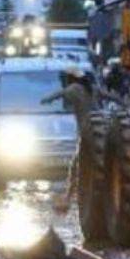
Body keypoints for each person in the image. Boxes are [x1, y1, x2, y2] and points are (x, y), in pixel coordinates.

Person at [41, 67, 95, 212]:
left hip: (85, 131)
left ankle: (69, 197)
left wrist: (46, 100)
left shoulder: (75, 88)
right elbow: (109, 96)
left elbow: (61, 94)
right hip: (96, 129)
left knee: (76, 165)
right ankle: (72, 196)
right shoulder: (91, 89)